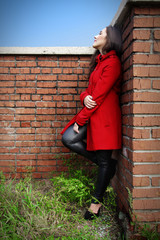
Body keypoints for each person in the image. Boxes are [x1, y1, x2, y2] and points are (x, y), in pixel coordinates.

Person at [61, 25, 122, 220]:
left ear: (110, 39)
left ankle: (95, 204)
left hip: (105, 119)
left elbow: (99, 95)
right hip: (93, 114)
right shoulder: (98, 63)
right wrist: (83, 96)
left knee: (101, 159)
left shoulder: (112, 63)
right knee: (68, 138)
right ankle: (107, 166)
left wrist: (80, 118)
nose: (95, 35)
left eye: (101, 33)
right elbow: (89, 92)